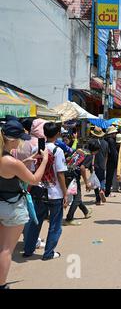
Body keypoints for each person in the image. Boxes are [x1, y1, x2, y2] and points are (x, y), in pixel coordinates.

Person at [0, 120, 49, 289]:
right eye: (20, 138)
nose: (21, 142)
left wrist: (26, 161)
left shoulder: (7, 159)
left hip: (1, 203)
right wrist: (44, 161)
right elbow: (34, 180)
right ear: (12, 139)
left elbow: (11, 171)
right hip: (12, 207)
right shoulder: (11, 162)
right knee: (6, 250)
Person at [23, 122, 68, 260]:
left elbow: (31, 170)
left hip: (38, 191)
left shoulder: (36, 149)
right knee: (55, 225)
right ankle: (48, 253)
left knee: (35, 223)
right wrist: (65, 193)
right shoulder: (58, 151)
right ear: (58, 134)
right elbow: (60, 174)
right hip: (55, 194)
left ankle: (28, 250)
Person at [63, 144, 94, 226]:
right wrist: (86, 182)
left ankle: (86, 212)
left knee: (77, 195)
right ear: (95, 151)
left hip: (66, 173)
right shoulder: (89, 155)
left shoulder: (79, 150)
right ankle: (69, 218)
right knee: (77, 197)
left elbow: (67, 159)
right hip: (74, 176)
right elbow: (82, 168)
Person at [90, 127, 108, 205]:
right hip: (103, 163)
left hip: (94, 164)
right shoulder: (105, 143)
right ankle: (102, 190)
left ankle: (98, 199)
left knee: (95, 181)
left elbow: (90, 154)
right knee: (102, 179)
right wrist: (105, 163)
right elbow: (107, 155)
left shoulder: (91, 142)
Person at [104, 126, 118, 198]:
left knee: (106, 177)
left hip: (105, 160)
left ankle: (105, 191)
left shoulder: (105, 139)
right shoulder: (111, 141)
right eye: (115, 133)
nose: (115, 134)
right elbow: (113, 153)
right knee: (109, 177)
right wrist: (116, 162)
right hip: (111, 161)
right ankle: (107, 192)